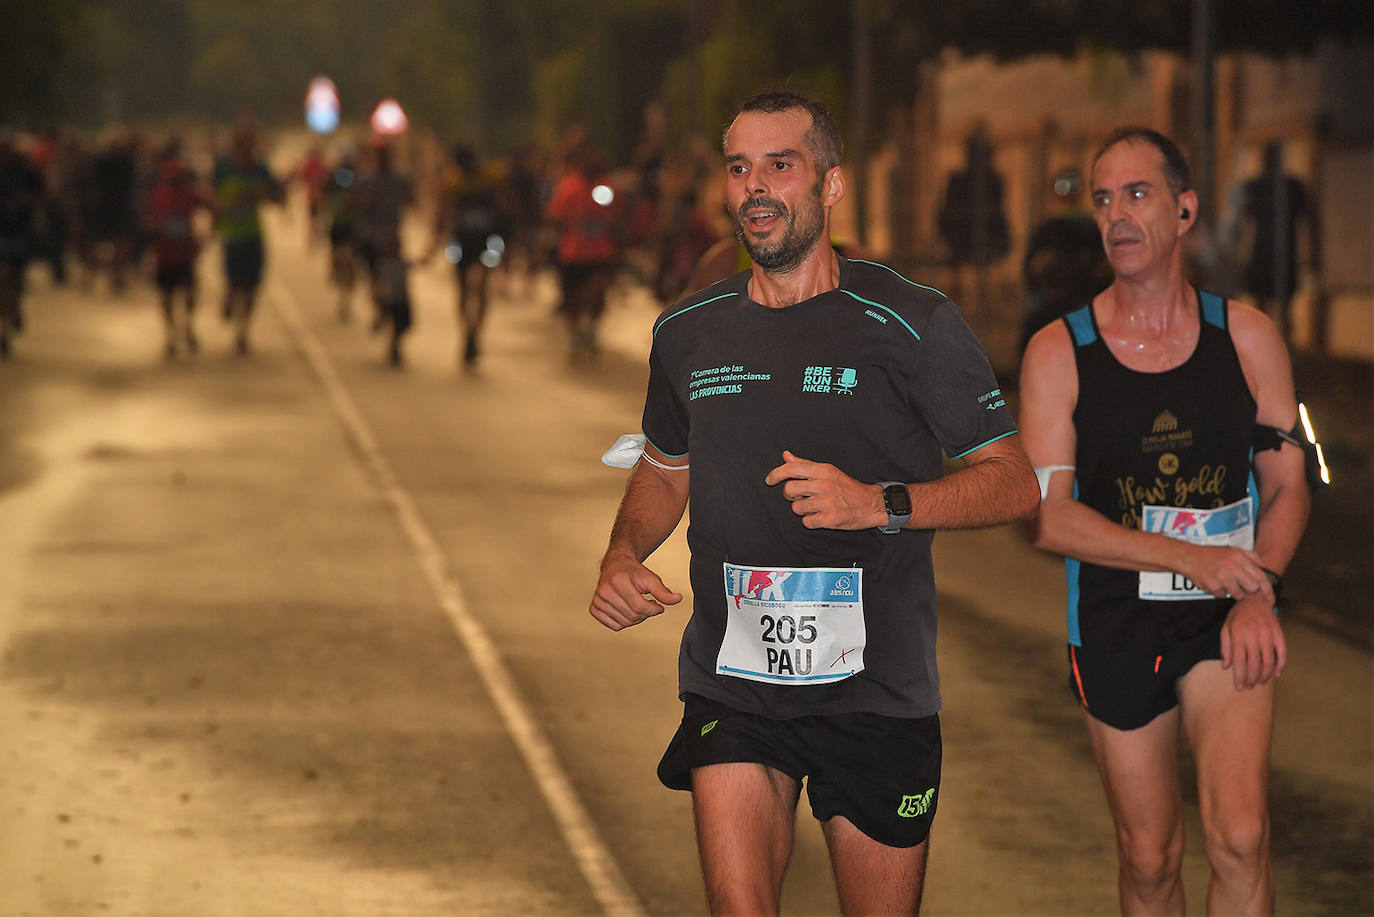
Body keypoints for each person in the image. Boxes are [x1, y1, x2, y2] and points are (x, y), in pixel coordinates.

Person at [588, 89, 1038, 915]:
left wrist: (881, 503)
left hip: (876, 691)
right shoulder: (688, 333)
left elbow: (1013, 478)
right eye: (738, 168)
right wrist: (624, 552)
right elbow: (663, 466)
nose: (755, 187)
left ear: (830, 185)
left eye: (780, 165)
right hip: (735, 683)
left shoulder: (912, 324)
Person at [1018, 127, 1310, 916]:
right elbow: (1046, 519)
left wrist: (1259, 591)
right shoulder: (1058, 352)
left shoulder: (1248, 337)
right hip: (1116, 619)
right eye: (1103, 198)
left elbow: (1287, 482)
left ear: (1184, 211)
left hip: (1230, 613)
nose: (1116, 215)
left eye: (1137, 194)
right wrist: (1188, 556)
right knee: (1150, 858)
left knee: (1242, 835)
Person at [1225, 141, 1319, 341]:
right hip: (1262, 253)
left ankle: (1285, 349)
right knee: (1262, 309)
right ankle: (1265, 349)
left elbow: (1309, 221)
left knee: (1283, 309)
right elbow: (1240, 225)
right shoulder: (1256, 187)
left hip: (1284, 253)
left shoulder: (1291, 187)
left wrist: (1312, 254)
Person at [1019, 166, 1112, 354]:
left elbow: (1104, 269)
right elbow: (1033, 268)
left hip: (1083, 302)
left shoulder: (1088, 230)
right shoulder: (1049, 229)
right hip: (1060, 305)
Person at [433, 145, 507, 367]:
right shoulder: (453, 182)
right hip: (463, 240)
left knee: (479, 286)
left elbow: (504, 205)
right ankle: (470, 331)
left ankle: (474, 332)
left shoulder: (490, 178)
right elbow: (444, 211)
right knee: (466, 288)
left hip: (485, 239)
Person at [547, 135, 621, 356]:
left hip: (600, 252)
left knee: (598, 292)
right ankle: (573, 334)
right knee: (573, 298)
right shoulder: (569, 187)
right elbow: (556, 216)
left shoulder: (605, 187)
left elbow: (616, 215)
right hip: (573, 253)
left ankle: (591, 329)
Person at [213, 127, 284, 354]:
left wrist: (263, 195)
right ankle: (229, 298)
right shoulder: (224, 168)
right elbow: (209, 194)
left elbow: (276, 195)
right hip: (231, 235)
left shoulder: (260, 169)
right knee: (235, 283)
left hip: (253, 234)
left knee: (253, 286)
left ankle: (242, 332)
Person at [145, 143, 213, 359]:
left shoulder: (190, 194)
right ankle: (171, 335)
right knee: (167, 297)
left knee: (188, 295)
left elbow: (213, 207)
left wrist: (206, 236)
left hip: (184, 253)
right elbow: (148, 220)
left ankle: (186, 328)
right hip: (165, 254)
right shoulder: (157, 195)